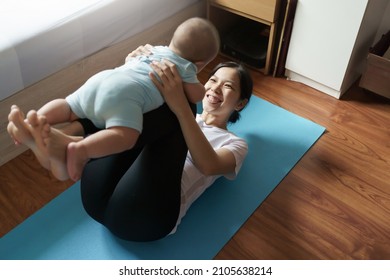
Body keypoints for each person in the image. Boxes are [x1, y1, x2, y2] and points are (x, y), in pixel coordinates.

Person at [7, 52, 253, 241]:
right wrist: (139, 63)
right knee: (147, 97)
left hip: (145, 218)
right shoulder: (173, 114)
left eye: (228, 86)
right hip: (98, 195)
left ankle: (71, 138)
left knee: (179, 107)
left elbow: (209, 165)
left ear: (240, 104)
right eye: (212, 79)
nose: (215, 88)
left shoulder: (235, 143)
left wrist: (180, 106)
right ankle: (70, 144)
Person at [7, 17, 220, 182]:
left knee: (69, 105)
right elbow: (196, 95)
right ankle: (81, 149)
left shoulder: (156, 50)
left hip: (104, 78)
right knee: (125, 134)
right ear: (200, 64)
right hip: (124, 93)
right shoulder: (185, 67)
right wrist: (197, 86)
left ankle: (36, 121)